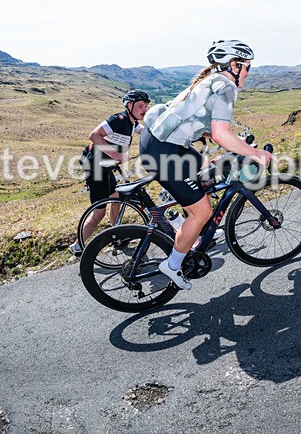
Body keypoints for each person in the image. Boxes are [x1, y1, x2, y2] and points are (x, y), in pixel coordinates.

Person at [139, 40, 272, 290]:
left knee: (204, 171)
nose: (247, 73)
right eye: (247, 68)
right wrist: (254, 153)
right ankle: (173, 264)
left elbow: (201, 122)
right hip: (165, 151)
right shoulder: (226, 87)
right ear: (234, 65)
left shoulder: (211, 80)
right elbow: (221, 134)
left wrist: (236, 142)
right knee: (203, 212)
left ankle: (185, 225)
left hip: (159, 141)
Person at [69, 90, 151, 257]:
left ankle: (117, 235)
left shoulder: (133, 124)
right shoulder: (118, 120)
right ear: (129, 105)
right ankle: (78, 246)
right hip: (95, 168)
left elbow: (146, 132)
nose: (144, 110)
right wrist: (116, 155)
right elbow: (94, 135)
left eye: (146, 106)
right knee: (99, 211)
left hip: (105, 168)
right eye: (140, 106)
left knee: (116, 197)